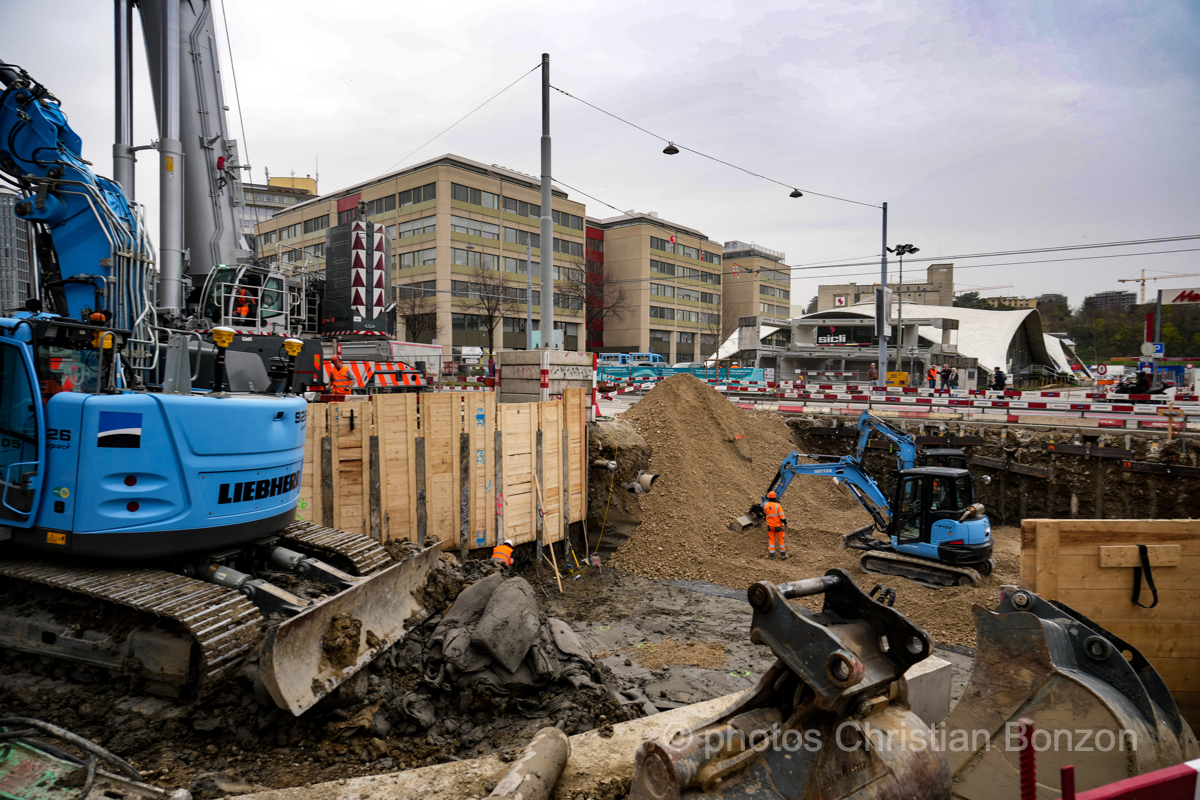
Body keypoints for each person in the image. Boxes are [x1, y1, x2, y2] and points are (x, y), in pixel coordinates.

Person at [762, 491, 788, 560]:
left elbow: (765, 513)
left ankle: (771, 555)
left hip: (770, 526)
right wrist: (785, 523)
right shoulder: (778, 506)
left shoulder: (765, 505)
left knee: (771, 539)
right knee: (781, 539)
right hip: (777, 526)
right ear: (775, 498)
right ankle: (783, 555)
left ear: (768, 498)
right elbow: (782, 517)